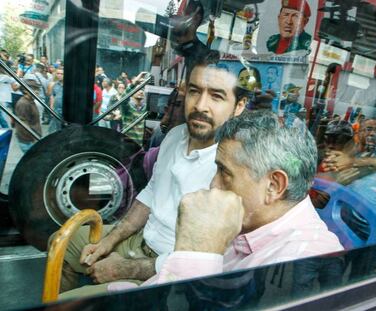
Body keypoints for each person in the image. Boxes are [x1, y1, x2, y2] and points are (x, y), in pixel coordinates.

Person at [57, 55, 248, 299]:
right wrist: (111, 239)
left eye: (217, 96)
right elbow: (150, 194)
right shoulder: (175, 135)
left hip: (167, 272)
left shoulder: (233, 167)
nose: (200, 105)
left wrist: (125, 268)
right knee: (62, 242)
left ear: (239, 106)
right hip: (140, 241)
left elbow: (207, 260)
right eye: (194, 91)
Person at [125, 111, 343, 286]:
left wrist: (198, 251)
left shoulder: (299, 264)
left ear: (274, 186)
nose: (213, 184)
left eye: (224, 173)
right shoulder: (249, 222)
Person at [12, 76, 42, 153]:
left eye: (37, 89)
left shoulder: (30, 100)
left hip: (32, 139)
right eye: (34, 89)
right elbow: (23, 125)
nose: (37, 91)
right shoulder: (23, 103)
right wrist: (33, 139)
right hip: (28, 141)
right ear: (25, 90)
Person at [49, 67, 64, 133]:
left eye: (62, 74)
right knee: (55, 129)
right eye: (58, 73)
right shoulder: (55, 84)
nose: (59, 75)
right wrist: (51, 107)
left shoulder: (70, 85)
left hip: (66, 111)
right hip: (57, 110)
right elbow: (52, 96)